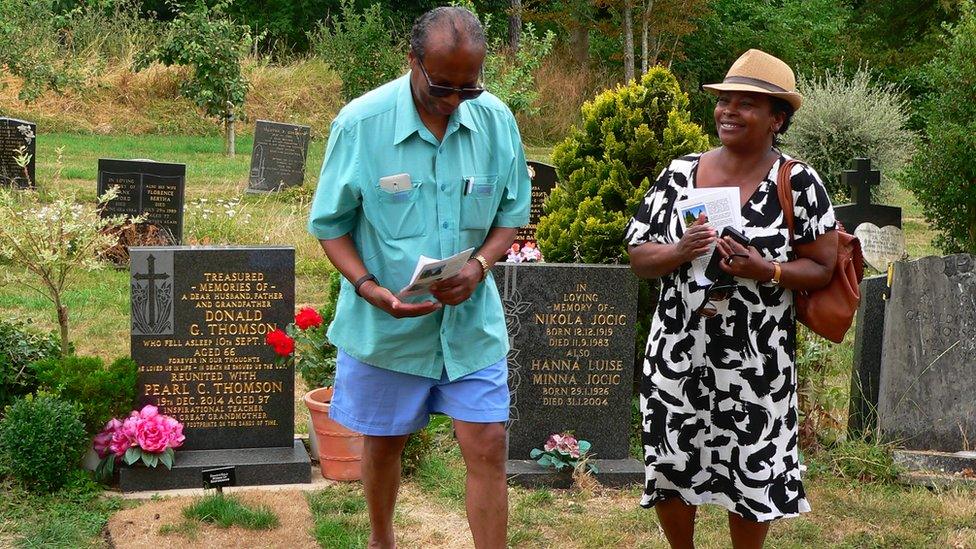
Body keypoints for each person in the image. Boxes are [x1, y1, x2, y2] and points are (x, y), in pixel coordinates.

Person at [306, 7, 530, 549]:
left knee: (488, 443)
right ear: (412, 61)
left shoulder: (496, 121)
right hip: (386, 327)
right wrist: (367, 287)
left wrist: (478, 267)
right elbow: (331, 227)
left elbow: (510, 215)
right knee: (384, 445)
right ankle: (381, 540)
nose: (455, 101)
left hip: (469, 322)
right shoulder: (361, 125)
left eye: (468, 90)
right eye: (443, 87)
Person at [625, 49, 838, 548]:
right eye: (724, 101)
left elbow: (823, 266)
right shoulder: (680, 173)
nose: (728, 111)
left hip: (755, 358)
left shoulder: (797, 181)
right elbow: (639, 254)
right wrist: (681, 250)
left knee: (751, 466)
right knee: (671, 458)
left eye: (746, 104)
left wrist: (767, 269)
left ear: (776, 119)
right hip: (678, 348)